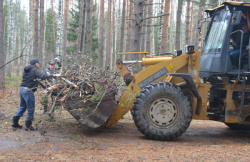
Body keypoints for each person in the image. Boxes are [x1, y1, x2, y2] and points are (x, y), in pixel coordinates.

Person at [11, 58, 53, 131]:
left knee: (22, 107)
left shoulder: (26, 69)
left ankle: (15, 123)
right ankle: (28, 126)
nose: (38, 64)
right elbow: (42, 76)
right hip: (28, 90)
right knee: (31, 108)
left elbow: (30, 77)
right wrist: (49, 76)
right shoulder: (35, 69)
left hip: (22, 89)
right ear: (35, 63)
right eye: (38, 63)